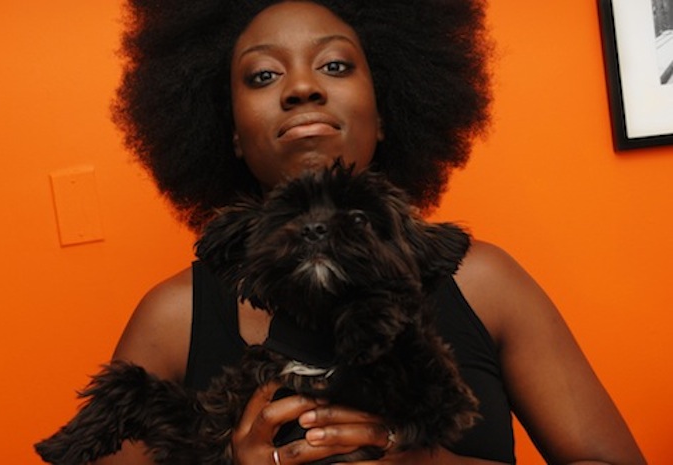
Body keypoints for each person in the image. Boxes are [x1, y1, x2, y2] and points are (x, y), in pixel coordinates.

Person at [90, 0, 645, 464]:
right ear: (231, 133)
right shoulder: (173, 319)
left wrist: (426, 463)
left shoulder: (484, 284)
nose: (301, 86)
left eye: (334, 65)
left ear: (384, 114)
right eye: (264, 75)